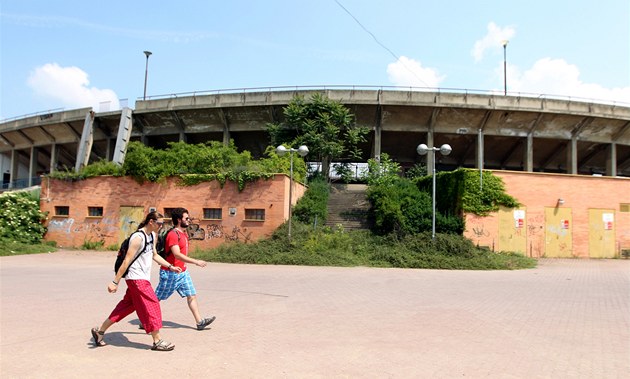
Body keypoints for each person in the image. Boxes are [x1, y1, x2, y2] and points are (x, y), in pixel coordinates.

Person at [91, 211, 182, 351]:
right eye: (159, 223)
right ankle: (157, 341)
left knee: (126, 307)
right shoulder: (138, 237)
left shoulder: (152, 235)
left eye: (162, 223)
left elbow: (155, 255)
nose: (161, 226)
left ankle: (100, 331)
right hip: (136, 278)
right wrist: (115, 282)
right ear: (151, 222)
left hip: (141, 278)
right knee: (152, 305)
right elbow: (126, 260)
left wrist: (170, 266)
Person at [155, 207, 216, 330]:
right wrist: (196, 262)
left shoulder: (183, 234)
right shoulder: (173, 234)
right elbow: (177, 254)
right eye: (186, 218)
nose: (189, 220)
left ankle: (199, 322)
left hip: (183, 272)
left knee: (191, 295)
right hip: (170, 273)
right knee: (156, 298)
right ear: (178, 220)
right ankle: (145, 319)